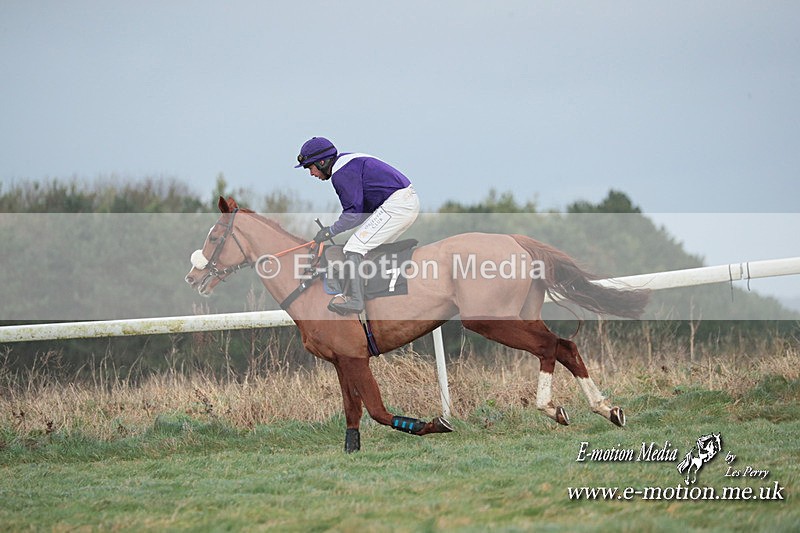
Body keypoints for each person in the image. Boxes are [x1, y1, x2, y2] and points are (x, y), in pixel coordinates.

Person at [295, 136, 420, 315]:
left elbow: (353, 213)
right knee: (369, 250)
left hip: (397, 204)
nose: (311, 173)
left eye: (310, 167)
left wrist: (330, 231)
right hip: (402, 202)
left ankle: (355, 300)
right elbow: (360, 213)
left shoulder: (341, 173)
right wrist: (332, 231)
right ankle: (379, 297)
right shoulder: (345, 164)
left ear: (322, 162)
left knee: (354, 247)